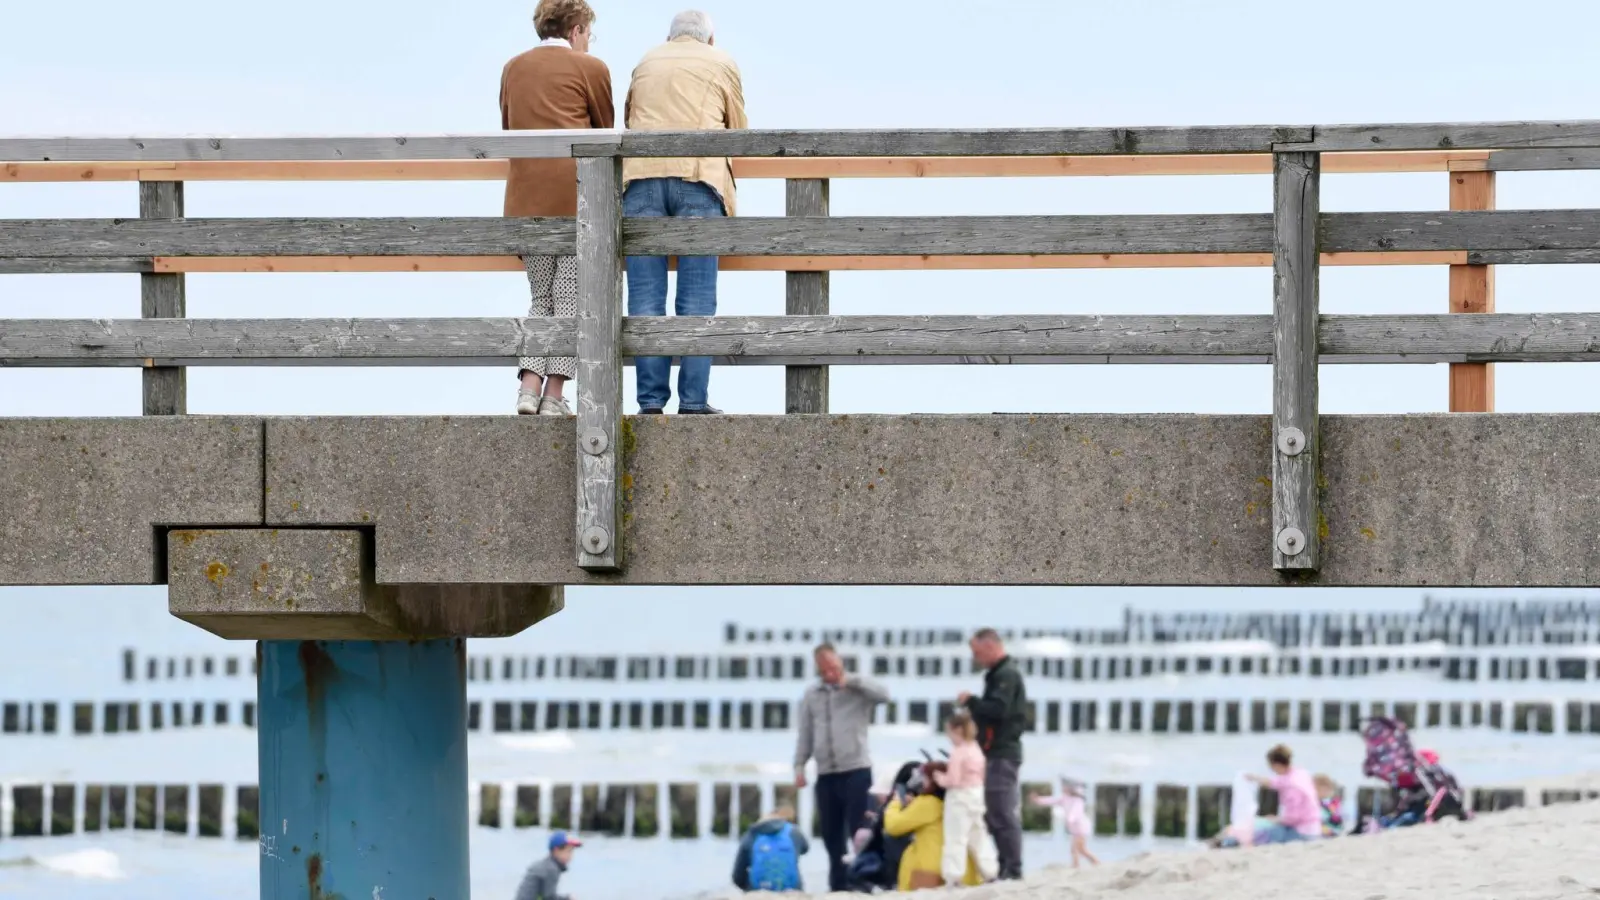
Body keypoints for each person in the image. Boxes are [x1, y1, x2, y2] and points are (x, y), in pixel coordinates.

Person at [620, 10, 747, 415]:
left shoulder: (645, 61)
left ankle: (650, 403)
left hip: (641, 180)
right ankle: (693, 401)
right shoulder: (721, 61)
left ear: (670, 37)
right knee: (696, 297)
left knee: (644, 298)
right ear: (709, 39)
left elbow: (628, 119)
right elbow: (740, 132)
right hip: (697, 177)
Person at [501, 0, 614, 416]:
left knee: (540, 298)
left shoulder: (513, 68)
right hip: (575, 200)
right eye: (588, 33)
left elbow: (508, 125)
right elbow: (605, 133)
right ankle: (553, 396)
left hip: (525, 201)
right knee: (570, 299)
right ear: (577, 29)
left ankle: (528, 390)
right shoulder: (592, 69)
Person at [794, 642, 890, 891]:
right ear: (818, 668)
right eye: (824, 669)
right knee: (830, 834)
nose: (830, 673)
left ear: (840, 663)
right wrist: (799, 765)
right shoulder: (812, 694)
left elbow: (884, 695)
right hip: (826, 773)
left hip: (856, 770)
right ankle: (838, 886)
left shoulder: (857, 688)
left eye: (833, 667)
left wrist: (853, 682)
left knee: (860, 832)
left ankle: (862, 881)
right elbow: (805, 732)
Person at [958, 627, 1027, 879]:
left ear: (990, 646)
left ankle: (1013, 868)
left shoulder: (1006, 674)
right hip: (993, 751)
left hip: (1003, 751)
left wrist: (971, 702)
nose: (976, 659)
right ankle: (1004, 864)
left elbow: (999, 710)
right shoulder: (997, 674)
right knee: (993, 810)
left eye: (977, 652)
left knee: (1001, 810)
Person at [882, 763, 983, 891]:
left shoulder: (928, 803)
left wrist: (895, 803)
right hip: (965, 872)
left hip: (930, 873)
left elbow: (893, 826)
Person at [931, 711, 999, 884]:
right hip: (976, 794)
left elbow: (953, 779)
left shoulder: (958, 751)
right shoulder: (975, 748)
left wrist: (939, 777)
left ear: (957, 730)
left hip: (959, 797)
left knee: (956, 837)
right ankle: (990, 871)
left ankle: (953, 876)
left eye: (949, 733)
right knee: (979, 835)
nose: (948, 737)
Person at [1245, 744, 1321, 844]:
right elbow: (1276, 782)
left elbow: (1293, 817)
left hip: (1302, 832)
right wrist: (1255, 778)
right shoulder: (1300, 773)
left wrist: (1276, 819)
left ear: (1276, 765)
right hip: (1314, 828)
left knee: (1259, 834)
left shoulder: (1292, 788)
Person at [731, 806, 808, 892]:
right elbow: (805, 849)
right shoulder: (794, 832)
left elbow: (737, 876)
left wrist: (749, 889)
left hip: (757, 890)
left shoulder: (751, 834)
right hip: (792, 890)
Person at [1031, 777, 1098, 867]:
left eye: (1064, 787)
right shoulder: (1065, 798)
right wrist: (1038, 800)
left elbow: (1075, 812)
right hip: (1075, 828)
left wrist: (1068, 819)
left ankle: (1095, 862)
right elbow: (1051, 800)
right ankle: (1076, 864)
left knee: (1081, 849)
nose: (1063, 788)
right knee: (1075, 849)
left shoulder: (1078, 800)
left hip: (1081, 827)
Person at [513, 831, 581, 900]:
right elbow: (549, 898)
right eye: (568, 851)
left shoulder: (546, 864)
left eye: (572, 851)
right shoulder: (551, 869)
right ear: (556, 850)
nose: (571, 856)